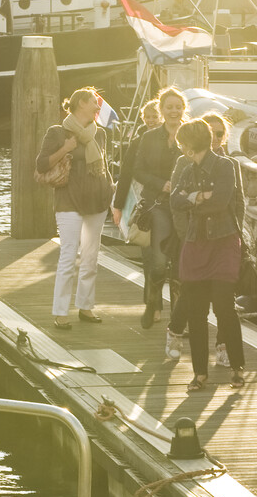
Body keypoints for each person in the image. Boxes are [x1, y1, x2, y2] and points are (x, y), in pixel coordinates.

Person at [170, 119, 247, 392]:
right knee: (196, 312)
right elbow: (174, 201)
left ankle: (237, 368)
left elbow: (222, 201)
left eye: (182, 144)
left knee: (225, 308)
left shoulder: (225, 166)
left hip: (223, 242)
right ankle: (200, 373)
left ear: (190, 146)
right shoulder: (188, 169)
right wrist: (199, 196)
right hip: (195, 243)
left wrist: (191, 199)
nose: (180, 148)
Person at [35, 87, 115, 330]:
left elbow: (103, 166)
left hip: (97, 200)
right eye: (94, 102)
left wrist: (113, 194)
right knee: (69, 255)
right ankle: (60, 312)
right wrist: (65, 149)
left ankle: (85, 307)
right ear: (81, 103)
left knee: (90, 257)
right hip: (68, 199)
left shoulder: (99, 134)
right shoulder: (58, 132)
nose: (98, 106)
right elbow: (41, 164)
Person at [129, 88, 188, 343]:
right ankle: (152, 301)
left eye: (178, 107)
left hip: (185, 207)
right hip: (160, 204)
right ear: (161, 110)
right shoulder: (150, 137)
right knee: (158, 262)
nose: (174, 111)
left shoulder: (193, 133)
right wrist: (161, 183)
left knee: (182, 266)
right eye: (169, 107)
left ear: (183, 109)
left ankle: (178, 319)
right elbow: (138, 170)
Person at [111, 98, 162, 229]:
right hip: (143, 194)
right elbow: (126, 172)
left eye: (155, 116)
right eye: (147, 117)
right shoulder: (137, 142)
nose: (151, 120)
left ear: (161, 117)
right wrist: (118, 205)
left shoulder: (172, 138)